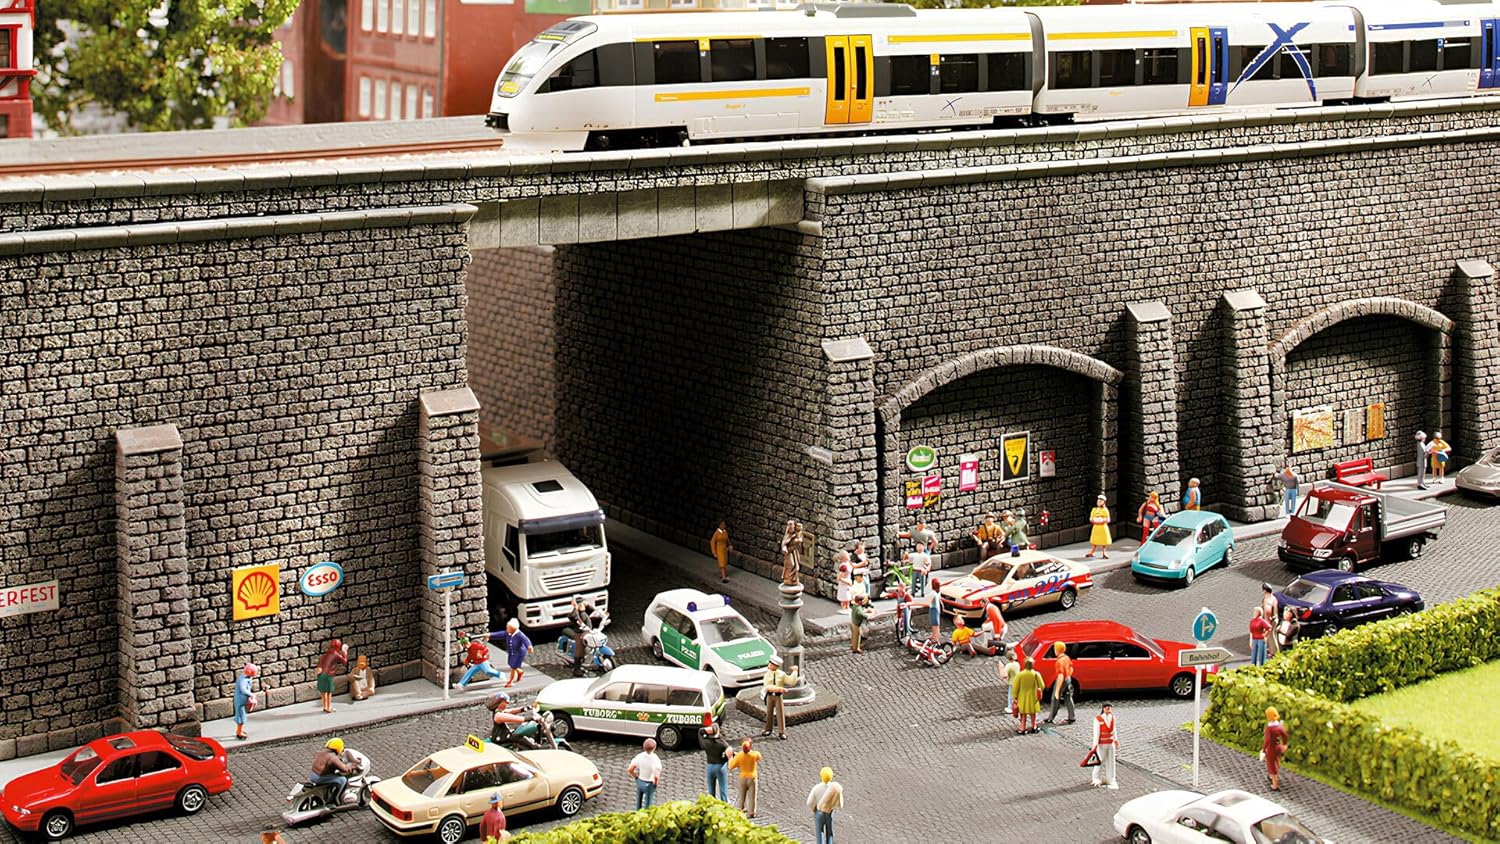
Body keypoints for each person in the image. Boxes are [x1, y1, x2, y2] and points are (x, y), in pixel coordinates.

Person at [762, 655, 796, 739]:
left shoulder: (781, 674)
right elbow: (767, 686)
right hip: (770, 695)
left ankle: (781, 731)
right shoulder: (767, 674)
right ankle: (768, 729)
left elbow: (791, 682)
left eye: (771, 664)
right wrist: (779, 689)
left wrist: (795, 672)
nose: (769, 665)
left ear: (775, 666)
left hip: (778, 696)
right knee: (769, 713)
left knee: (780, 713)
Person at [806, 767, 843, 844]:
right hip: (829, 811)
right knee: (829, 833)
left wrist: (813, 809)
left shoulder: (817, 788)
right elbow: (839, 803)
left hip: (819, 812)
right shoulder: (834, 788)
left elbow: (809, 802)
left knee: (820, 832)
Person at [728, 738, 761, 818]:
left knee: (742, 795)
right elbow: (759, 757)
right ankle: (752, 812)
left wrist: (730, 757)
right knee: (752, 796)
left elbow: (731, 766)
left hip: (742, 777)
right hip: (752, 777)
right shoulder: (754, 754)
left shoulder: (739, 756)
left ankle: (741, 809)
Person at [494, 619, 531, 688]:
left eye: (508, 628)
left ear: (513, 629)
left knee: (513, 667)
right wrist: (490, 635)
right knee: (510, 664)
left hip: (519, 652)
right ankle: (519, 671)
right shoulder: (508, 633)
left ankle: (510, 681)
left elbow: (526, 640)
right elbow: (500, 634)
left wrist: (529, 646)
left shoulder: (520, 635)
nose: (507, 629)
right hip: (512, 651)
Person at [627, 738, 663, 810]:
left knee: (638, 801)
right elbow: (656, 776)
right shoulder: (655, 759)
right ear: (654, 748)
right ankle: (646, 814)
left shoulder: (639, 756)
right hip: (649, 783)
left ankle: (637, 812)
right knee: (648, 803)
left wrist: (636, 777)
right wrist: (655, 783)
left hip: (640, 781)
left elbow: (630, 769)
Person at [699, 723, 730, 802]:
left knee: (711, 791)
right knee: (723, 790)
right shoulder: (722, 743)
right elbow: (729, 752)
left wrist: (708, 730)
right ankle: (725, 804)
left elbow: (700, 731)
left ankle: (711, 803)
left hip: (710, 766)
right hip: (720, 766)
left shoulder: (706, 742)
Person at [1045, 641, 1075, 725]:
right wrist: (1068, 676)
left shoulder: (1059, 661)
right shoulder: (1066, 657)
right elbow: (1071, 668)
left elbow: (1060, 675)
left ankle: (1051, 718)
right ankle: (1072, 717)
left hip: (1062, 679)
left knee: (1055, 698)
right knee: (1068, 697)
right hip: (1068, 678)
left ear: (1057, 650)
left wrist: (1057, 690)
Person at [1013, 657, 1045, 735]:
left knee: (1023, 714)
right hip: (1033, 697)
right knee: (1033, 713)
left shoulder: (1020, 675)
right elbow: (1042, 685)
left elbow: (1015, 687)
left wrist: (1015, 696)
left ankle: (1022, 728)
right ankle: (1034, 726)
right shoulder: (1036, 674)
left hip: (1022, 697)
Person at [560, 596, 592, 674]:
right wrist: (575, 608)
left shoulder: (584, 613)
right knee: (579, 651)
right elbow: (576, 618)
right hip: (580, 634)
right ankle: (577, 669)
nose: (584, 606)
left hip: (587, 632)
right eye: (581, 604)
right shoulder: (577, 614)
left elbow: (592, 610)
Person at [1091, 703, 1120, 789]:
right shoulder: (1098, 719)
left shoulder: (1113, 718)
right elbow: (1096, 733)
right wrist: (1095, 745)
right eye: (1106, 708)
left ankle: (1110, 778)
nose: (1108, 709)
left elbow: (1114, 729)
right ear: (1103, 709)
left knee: (1111, 761)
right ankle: (1096, 778)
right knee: (1100, 760)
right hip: (1101, 744)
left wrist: (1116, 739)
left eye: (1109, 708)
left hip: (1110, 743)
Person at [316, 639, 348, 713]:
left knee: (323, 692)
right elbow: (344, 661)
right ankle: (328, 707)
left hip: (321, 674)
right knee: (328, 692)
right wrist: (345, 652)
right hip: (328, 675)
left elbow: (320, 662)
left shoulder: (326, 653)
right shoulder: (335, 654)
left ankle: (325, 706)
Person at [1263, 707, 1289, 792]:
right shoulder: (1279, 726)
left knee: (1271, 764)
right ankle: (1272, 775)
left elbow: (1267, 740)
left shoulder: (1269, 728)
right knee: (1276, 761)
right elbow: (1285, 736)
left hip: (1271, 748)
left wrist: (1264, 749)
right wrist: (1284, 744)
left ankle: (1275, 784)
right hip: (1278, 747)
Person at [233, 662, 257, 740]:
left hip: (244, 699)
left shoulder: (247, 678)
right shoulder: (243, 680)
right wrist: (251, 694)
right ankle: (239, 732)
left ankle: (239, 730)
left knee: (243, 714)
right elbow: (243, 690)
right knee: (241, 716)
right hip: (240, 701)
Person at [780, 520, 805, 586]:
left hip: (794, 552)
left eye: (793, 526)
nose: (792, 528)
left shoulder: (796, 534)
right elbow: (784, 544)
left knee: (796, 565)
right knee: (791, 564)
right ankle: (787, 578)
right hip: (789, 552)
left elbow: (800, 540)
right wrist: (784, 548)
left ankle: (794, 578)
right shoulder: (788, 535)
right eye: (790, 526)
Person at [1260, 583, 1280, 658]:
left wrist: (1266, 622)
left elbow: (1267, 611)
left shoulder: (1267, 599)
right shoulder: (1273, 598)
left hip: (1270, 620)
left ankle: (1274, 653)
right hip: (1274, 618)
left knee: (1271, 637)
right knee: (1272, 636)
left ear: (1265, 591)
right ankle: (1272, 650)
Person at [1001, 647, 1020, 722]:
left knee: (1010, 695)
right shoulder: (1017, 664)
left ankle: (1010, 707)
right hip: (1018, 681)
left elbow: (1005, 674)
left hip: (1012, 682)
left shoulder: (1009, 665)